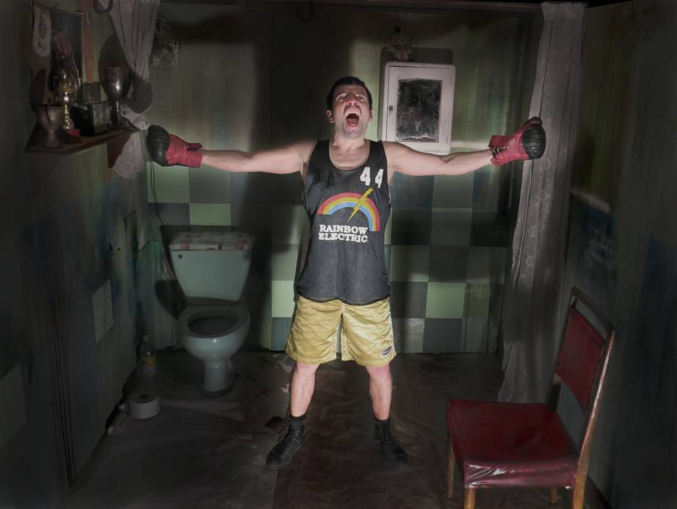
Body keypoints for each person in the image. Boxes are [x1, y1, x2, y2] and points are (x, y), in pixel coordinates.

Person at [146, 76, 546, 472]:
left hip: (367, 290)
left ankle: (384, 434)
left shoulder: (388, 156)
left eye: (359, 97)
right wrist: (189, 155)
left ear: (369, 114)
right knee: (305, 367)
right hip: (317, 287)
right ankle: (295, 432)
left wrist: (503, 153)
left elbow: (446, 165)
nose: (352, 100)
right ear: (331, 113)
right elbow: (249, 161)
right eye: (343, 96)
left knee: (380, 371)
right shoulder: (308, 154)